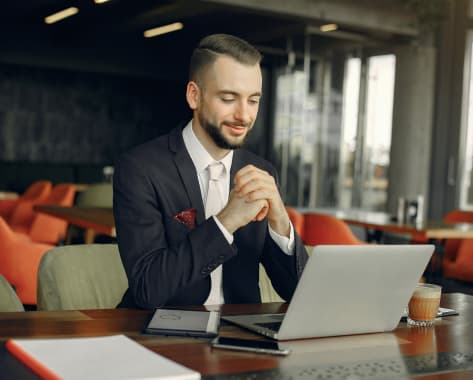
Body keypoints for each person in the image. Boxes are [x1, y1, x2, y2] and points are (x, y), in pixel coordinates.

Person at [113, 33, 308, 309]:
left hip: (239, 335)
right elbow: (148, 288)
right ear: (194, 96)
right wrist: (226, 221)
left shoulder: (262, 171)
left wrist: (280, 224)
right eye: (229, 98)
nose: (244, 115)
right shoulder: (140, 169)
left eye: (253, 100)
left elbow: (300, 293)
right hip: (159, 333)